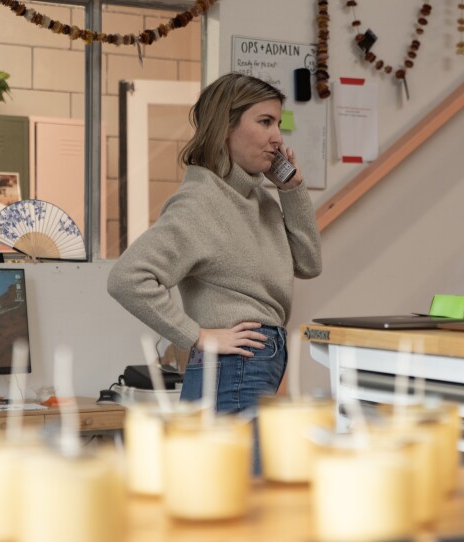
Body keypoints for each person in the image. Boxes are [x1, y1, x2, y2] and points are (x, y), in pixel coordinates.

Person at [107, 72, 322, 473]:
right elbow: (127, 278)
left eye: (278, 122)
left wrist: (292, 190)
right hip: (235, 369)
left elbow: (309, 263)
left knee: (232, 502)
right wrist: (198, 335)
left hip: (253, 366)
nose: (278, 137)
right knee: (238, 507)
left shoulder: (259, 199)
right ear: (225, 127)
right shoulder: (200, 202)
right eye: (264, 122)